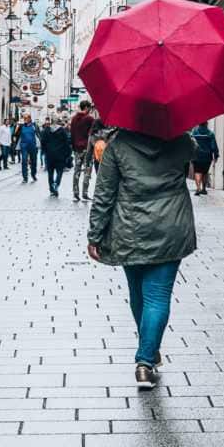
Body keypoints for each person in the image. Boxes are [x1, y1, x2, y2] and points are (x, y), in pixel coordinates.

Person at [87, 126, 199, 389]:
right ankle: (146, 359)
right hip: (171, 226)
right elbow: (193, 152)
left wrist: (95, 234)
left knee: (138, 293)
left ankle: (147, 355)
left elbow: (104, 193)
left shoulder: (118, 144)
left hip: (131, 228)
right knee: (157, 296)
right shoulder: (181, 140)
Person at [69, 101, 100, 203]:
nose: (90, 110)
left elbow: (72, 134)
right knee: (87, 171)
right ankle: (85, 193)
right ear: (86, 107)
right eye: (89, 108)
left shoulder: (73, 119)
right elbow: (93, 133)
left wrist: (74, 147)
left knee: (77, 171)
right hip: (87, 149)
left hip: (77, 149)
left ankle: (75, 193)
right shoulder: (89, 119)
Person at [40, 118, 71, 196]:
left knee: (50, 173)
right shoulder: (62, 130)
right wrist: (67, 154)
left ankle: (51, 189)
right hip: (60, 155)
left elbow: (43, 142)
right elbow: (66, 143)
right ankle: (56, 184)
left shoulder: (46, 130)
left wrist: (44, 151)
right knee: (59, 171)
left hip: (49, 155)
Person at [190, 122, 219, 196]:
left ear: (199, 124)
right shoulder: (210, 134)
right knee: (205, 172)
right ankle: (203, 189)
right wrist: (216, 156)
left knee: (197, 171)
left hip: (196, 155)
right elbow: (213, 146)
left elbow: (191, 143)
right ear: (206, 124)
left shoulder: (194, 132)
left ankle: (198, 188)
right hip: (207, 156)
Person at [16, 114, 39, 183]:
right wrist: (17, 127)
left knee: (33, 161)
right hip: (24, 146)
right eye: (24, 118)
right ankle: (25, 178)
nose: (25, 119)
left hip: (32, 146)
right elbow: (15, 134)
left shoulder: (34, 126)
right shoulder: (21, 126)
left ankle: (33, 174)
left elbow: (38, 134)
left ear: (29, 119)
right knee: (24, 161)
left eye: (26, 118)